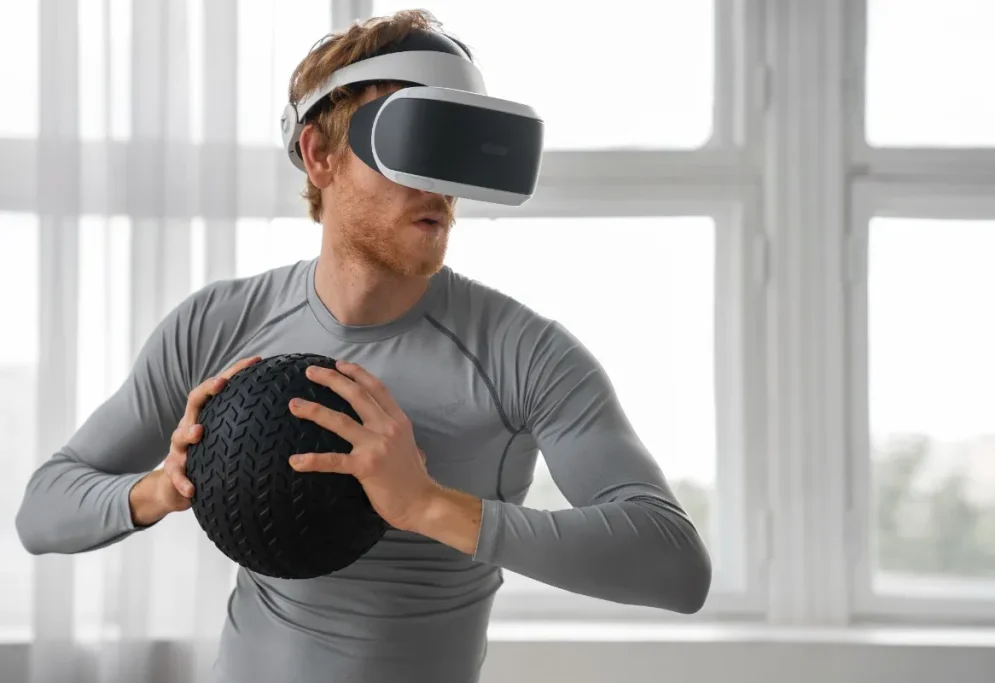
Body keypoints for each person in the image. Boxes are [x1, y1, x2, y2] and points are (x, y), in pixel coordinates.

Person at [15, 9, 712, 683]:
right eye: (417, 147)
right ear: (320, 155)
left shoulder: (523, 354)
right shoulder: (217, 325)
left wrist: (430, 505)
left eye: (456, 153)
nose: (440, 187)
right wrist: (163, 488)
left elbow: (677, 565)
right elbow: (42, 509)